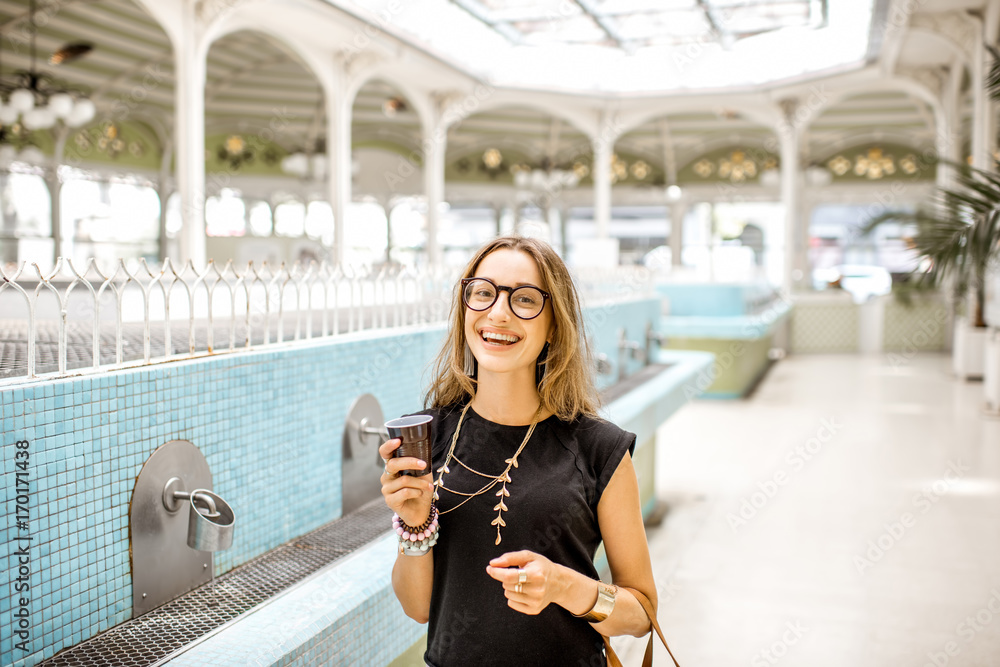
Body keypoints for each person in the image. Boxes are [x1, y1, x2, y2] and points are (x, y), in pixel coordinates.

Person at [380, 236, 657, 666]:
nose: (498, 312)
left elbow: (643, 614)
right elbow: (417, 609)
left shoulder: (599, 449)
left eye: (524, 299)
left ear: (554, 326)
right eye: (483, 292)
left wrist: (566, 587)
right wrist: (415, 524)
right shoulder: (426, 438)